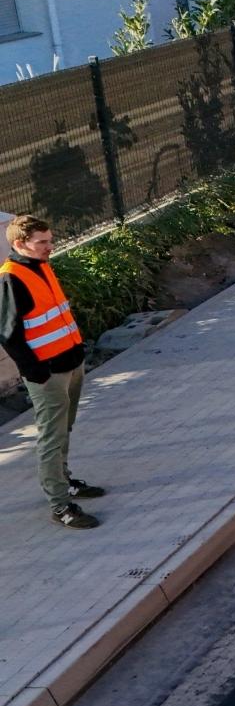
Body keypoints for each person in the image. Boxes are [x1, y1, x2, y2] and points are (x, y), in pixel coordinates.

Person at [2, 216, 103, 529]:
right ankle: (60, 506)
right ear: (20, 244)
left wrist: (77, 354)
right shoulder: (12, 278)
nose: (50, 246)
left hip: (70, 363)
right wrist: (37, 374)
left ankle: (65, 480)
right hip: (48, 375)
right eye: (42, 242)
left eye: (50, 239)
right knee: (51, 436)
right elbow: (8, 334)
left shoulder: (40, 265)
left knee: (65, 429)